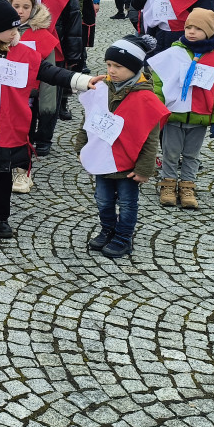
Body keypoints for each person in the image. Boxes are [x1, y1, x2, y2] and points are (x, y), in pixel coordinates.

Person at [0, 0, 98, 238]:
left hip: (9, 124)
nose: (14, 33)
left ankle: (1, 218)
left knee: (3, 173)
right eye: (9, 28)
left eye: (16, 28)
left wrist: (82, 81)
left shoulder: (23, 53)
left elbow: (50, 72)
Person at [74, 35, 170, 259]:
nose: (112, 70)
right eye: (108, 65)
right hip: (102, 158)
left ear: (134, 68)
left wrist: (145, 168)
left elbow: (150, 136)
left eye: (118, 66)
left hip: (128, 162)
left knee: (127, 202)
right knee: (103, 199)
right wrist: (82, 147)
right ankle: (107, 229)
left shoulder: (146, 97)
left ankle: (123, 237)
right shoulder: (103, 89)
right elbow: (89, 119)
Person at [147, 8, 214, 211]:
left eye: (198, 28)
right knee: (170, 153)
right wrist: (157, 109)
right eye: (188, 27)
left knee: (191, 155)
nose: (191, 31)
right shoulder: (173, 54)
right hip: (173, 116)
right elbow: (159, 84)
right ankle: (168, 185)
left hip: (199, 118)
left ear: (210, 31)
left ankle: (187, 187)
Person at [9, 0, 84, 136]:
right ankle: (27, 134)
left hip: (54, 49)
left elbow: (73, 21)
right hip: (23, 46)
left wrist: (74, 55)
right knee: (26, 93)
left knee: (50, 96)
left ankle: (45, 138)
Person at [7, 0, 60, 195]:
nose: (20, 11)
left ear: (33, 9)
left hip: (30, 94)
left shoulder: (41, 35)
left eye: (25, 7)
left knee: (25, 132)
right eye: (16, 7)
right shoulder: (0, 31)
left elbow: (51, 70)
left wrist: (48, 104)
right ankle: (6, 165)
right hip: (6, 92)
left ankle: (22, 170)